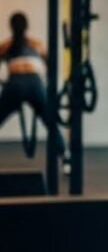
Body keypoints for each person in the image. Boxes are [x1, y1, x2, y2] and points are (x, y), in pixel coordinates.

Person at [0, 12, 67, 166]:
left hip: (14, 85)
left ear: (11, 27)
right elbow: (51, 66)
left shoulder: (6, 46)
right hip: (35, 84)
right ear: (27, 26)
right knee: (51, 122)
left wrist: (4, 83)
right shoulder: (37, 44)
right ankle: (65, 156)